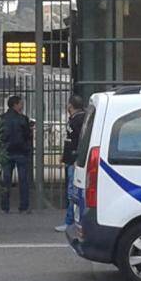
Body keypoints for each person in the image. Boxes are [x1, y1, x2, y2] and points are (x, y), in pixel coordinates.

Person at [0, 95, 33, 214]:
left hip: (6, 152)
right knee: (23, 181)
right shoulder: (23, 119)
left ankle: (5, 207)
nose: (22, 105)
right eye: (21, 103)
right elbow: (28, 135)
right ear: (15, 105)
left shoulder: (1, 118)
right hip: (21, 152)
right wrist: (27, 148)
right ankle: (23, 207)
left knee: (6, 181)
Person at [56, 95, 86, 232]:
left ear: (70, 105)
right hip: (70, 158)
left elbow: (80, 141)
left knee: (72, 192)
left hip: (74, 160)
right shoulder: (76, 119)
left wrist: (76, 159)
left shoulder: (79, 120)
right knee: (72, 191)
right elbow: (70, 140)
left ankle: (70, 222)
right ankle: (71, 220)